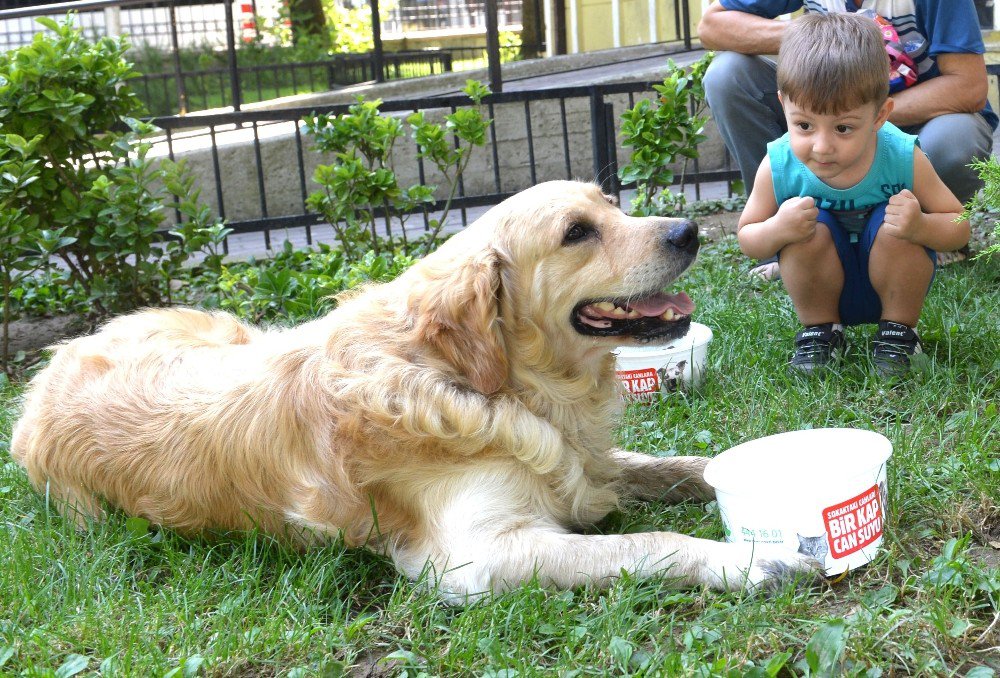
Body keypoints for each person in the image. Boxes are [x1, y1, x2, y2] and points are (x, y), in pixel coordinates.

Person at [736, 12, 970, 375]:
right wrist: (778, 228)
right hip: (821, 286)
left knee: (896, 223)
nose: (822, 146)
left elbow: (959, 225)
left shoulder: (902, 155)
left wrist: (920, 225)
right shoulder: (778, 163)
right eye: (804, 125)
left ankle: (898, 333)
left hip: (894, 285)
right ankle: (820, 332)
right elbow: (748, 236)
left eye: (843, 127)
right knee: (804, 230)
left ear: (880, 116)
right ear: (783, 104)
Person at [698, 0, 995, 278]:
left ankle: (927, 235)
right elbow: (713, 24)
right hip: (828, 119)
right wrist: (818, 36)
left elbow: (968, 87)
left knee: (956, 140)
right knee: (727, 77)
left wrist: (858, 119)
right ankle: (781, 237)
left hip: (922, 123)